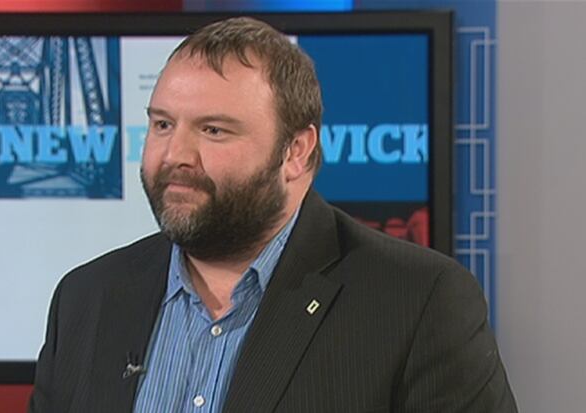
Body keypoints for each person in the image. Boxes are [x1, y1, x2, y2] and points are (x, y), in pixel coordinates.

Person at [29, 17, 517, 412]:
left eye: (214, 130)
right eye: (162, 124)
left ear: (296, 152)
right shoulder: (87, 298)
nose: (175, 153)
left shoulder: (417, 301)